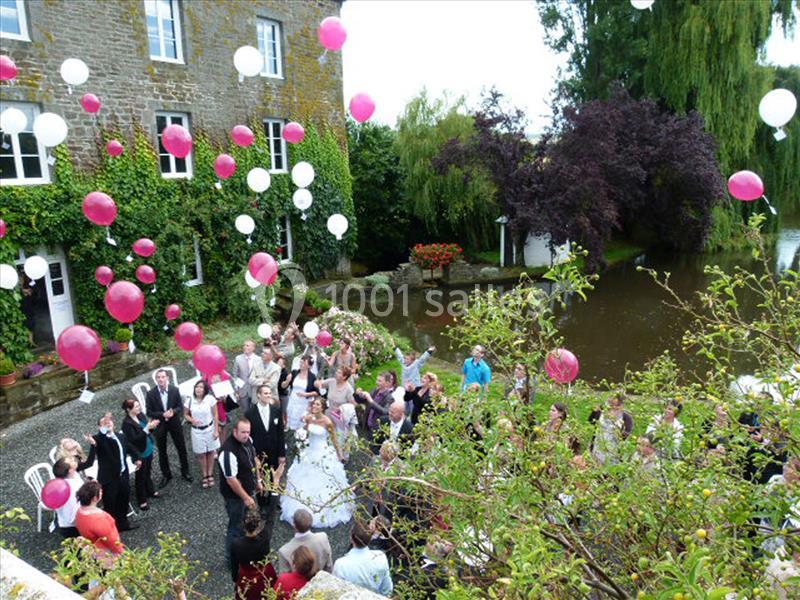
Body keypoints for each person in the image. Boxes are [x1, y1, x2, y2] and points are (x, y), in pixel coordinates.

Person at [279, 398, 354, 528]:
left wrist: (339, 455)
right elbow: (304, 431)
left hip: (322, 453)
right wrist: (300, 438)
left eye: (317, 404)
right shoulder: (309, 418)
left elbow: (334, 440)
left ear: (323, 408)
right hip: (309, 451)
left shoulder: (327, 422)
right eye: (314, 404)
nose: (314, 406)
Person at [81, 412, 139, 531]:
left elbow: (129, 447)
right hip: (109, 479)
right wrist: (101, 433)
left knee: (124, 499)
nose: (108, 423)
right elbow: (99, 443)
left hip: (123, 474)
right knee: (110, 504)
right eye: (104, 423)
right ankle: (111, 529)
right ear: (99, 427)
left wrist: (137, 458)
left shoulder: (120, 436)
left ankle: (123, 524)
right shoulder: (98, 439)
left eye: (109, 421)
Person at [219, 418, 263, 566]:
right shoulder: (227, 452)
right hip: (235, 497)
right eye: (243, 432)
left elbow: (254, 460)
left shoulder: (248, 440)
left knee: (247, 523)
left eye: (248, 432)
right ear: (235, 431)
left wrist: (258, 480)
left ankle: (244, 551)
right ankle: (230, 559)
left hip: (248, 490)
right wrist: (246, 498)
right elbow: (231, 480)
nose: (246, 435)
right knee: (235, 527)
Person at [145, 368, 192, 487]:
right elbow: (149, 412)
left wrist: (173, 412)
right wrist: (162, 414)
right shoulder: (151, 394)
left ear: (167, 378)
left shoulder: (174, 390)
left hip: (174, 422)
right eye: (158, 377)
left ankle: (185, 471)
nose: (161, 379)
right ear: (156, 379)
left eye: (163, 377)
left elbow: (179, 406)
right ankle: (166, 475)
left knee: (181, 447)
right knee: (162, 450)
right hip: (160, 424)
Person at [332, 520, 393, 596]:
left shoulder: (340, 564)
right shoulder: (381, 557)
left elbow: (336, 591)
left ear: (351, 539)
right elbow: (387, 589)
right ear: (370, 538)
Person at [231, 506, 278, 600]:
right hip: (265, 573)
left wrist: (236, 579)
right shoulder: (265, 537)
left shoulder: (236, 544)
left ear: (243, 524)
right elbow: (271, 520)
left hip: (246, 575)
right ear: (259, 525)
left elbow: (234, 563)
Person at [121, 398, 160, 510]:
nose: (139, 408)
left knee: (148, 471)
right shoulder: (126, 424)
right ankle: (141, 499)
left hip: (147, 447)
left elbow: (147, 430)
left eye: (139, 405)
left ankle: (150, 490)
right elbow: (134, 440)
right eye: (136, 406)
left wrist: (152, 427)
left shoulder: (140, 415)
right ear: (129, 409)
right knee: (140, 476)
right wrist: (147, 429)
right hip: (139, 452)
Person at [75, 480, 124, 560]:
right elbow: (111, 540)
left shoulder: (79, 512)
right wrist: (121, 551)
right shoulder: (99, 519)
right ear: (95, 498)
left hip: (94, 548)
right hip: (107, 553)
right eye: (100, 492)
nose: (101, 493)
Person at [185, 380, 221, 489]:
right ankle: (204, 474)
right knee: (201, 454)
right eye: (197, 387)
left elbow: (215, 415)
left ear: (205, 389)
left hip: (209, 429)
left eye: (201, 387)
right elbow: (185, 414)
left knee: (210, 452)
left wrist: (216, 430)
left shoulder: (210, 399)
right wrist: (192, 420)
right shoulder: (189, 400)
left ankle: (210, 474)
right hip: (196, 431)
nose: (198, 389)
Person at [277, 508, 333, 574]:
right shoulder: (323, 537)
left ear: (294, 525)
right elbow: (329, 565)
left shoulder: (284, 551)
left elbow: (284, 577)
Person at [589, 393, 634, 466]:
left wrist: (618, 432)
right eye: (611, 404)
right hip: (598, 445)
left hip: (613, 449)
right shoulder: (601, 411)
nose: (614, 407)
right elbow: (591, 421)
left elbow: (626, 435)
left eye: (617, 405)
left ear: (622, 405)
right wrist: (594, 411)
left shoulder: (626, 418)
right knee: (595, 465)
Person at [282, 355, 318, 430]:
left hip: (304, 403)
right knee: (289, 419)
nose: (301, 364)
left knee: (300, 422)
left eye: (304, 363)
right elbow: (283, 386)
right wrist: (287, 381)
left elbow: (316, 392)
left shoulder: (312, 377)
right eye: (301, 362)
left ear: (309, 366)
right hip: (292, 401)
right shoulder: (294, 373)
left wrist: (306, 394)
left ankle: (298, 434)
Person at [52, 457, 83, 538]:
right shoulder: (71, 489)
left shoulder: (73, 476)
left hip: (66, 521)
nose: (73, 459)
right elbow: (72, 515)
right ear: (70, 470)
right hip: (71, 526)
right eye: (71, 461)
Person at [359, 372, 397, 437]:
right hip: (367, 426)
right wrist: (359, 395)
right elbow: (363, 401)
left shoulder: (390, 398)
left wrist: (371, 400)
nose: (377, 382)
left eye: (380, 381)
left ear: (387, 383)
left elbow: (384, 412)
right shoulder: (375, 390)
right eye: (377, 380)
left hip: (377, 430)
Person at [233, 340, 258, 413]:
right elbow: (235, 375)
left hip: (254, 390)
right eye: (244, 345)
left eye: (247, 345)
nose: (244, 347)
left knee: (255, 411)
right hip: (243, 390)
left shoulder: (259, 359)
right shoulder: (238, 358)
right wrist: (236, 390)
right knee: (245, 412)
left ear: (253, 348)